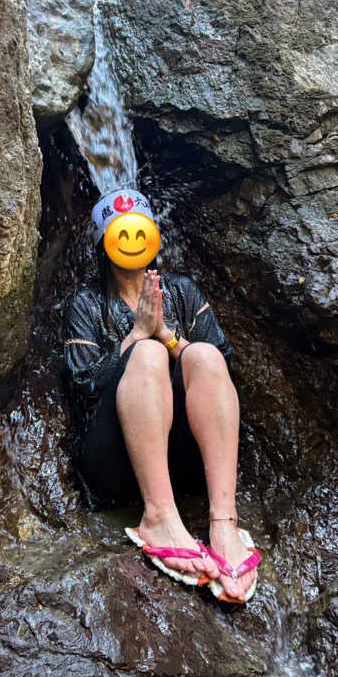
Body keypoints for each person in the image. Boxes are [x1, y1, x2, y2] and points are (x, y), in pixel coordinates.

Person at [63, 187, 260, 603]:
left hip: (186, 459)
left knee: (202, 354)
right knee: (147, 352)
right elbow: (82, 387)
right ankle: (159, 517)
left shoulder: (184, 292)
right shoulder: (86, 303)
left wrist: (167, 335)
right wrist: (137, 335)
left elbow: (222, 366)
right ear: (104, 241)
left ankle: (223, 521)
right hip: (118, 464)